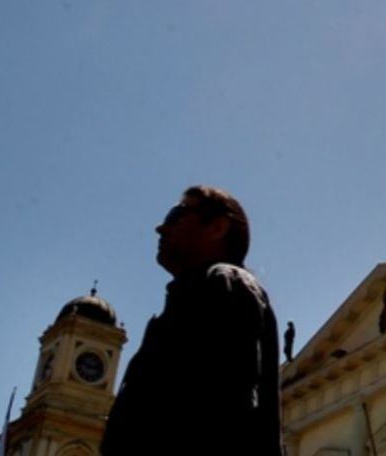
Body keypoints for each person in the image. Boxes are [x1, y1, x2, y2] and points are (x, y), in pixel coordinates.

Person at [101, 185, 281, 455]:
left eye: (176, 215)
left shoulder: (225, 282)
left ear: (217, 228)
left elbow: (226, 405)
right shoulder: (187, 299)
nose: (160, 228)